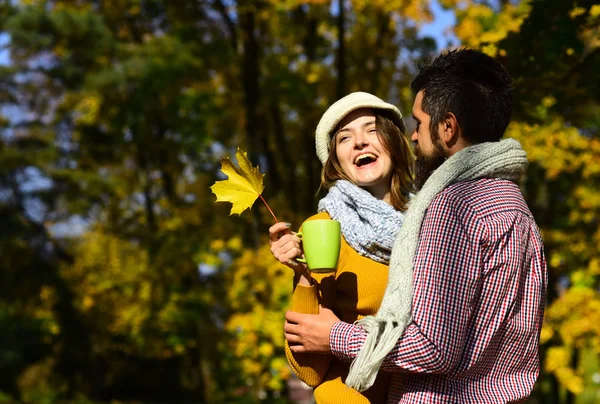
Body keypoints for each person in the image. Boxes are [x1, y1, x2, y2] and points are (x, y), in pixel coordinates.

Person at [283, 49, 548, 403]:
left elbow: (432, 346)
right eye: (344, 137)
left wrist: (336, 336)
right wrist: (303, 276)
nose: (413, 137)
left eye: (418, 124)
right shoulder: (516, 209)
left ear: (448, 128)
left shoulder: (450, 210)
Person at [269, 92, 414, 403]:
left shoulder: (432, 220)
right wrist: (304, 276)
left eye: (372, 129)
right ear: (336, 161)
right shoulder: (323, 229)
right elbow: (309, 373)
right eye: (345, 138)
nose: (360, 142)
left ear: (395, 142)